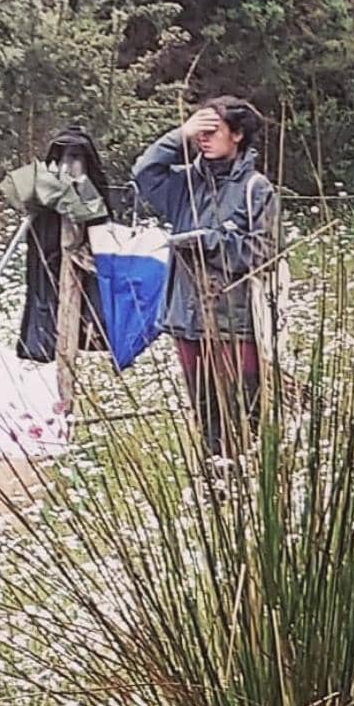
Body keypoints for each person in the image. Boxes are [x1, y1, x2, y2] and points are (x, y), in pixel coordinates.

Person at [133, 98, 281, 455]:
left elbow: (265, 252)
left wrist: (210, 243)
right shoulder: (183, 185)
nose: (203, 138)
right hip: (187, 320)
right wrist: (179, 136)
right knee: (206, 420)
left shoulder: (256, 189)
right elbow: (144, 172)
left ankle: (245, 491)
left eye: (212, 130)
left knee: (243, 420)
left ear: (238, 134)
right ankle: (214, 487)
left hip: (236, 322)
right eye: (198, 130)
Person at [1, 127, 113, 367]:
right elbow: (15, 189)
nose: (70, 162)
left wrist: (80, 185)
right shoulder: (41, 185)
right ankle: (40, 348)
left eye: (76, 157)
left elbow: (97, 217)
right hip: (46, 262)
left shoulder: (93, 192)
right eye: (65, 156)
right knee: (44, 307)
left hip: (80, 271)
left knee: (77, 316)